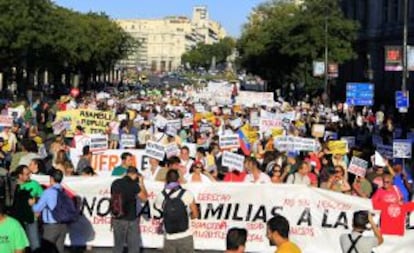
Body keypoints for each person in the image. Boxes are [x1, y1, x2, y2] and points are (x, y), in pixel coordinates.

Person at [154, 169, 199, 253]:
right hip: (185, 234)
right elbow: (196, 214)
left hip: (169, 236)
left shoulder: (161, 195)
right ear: (178, 179)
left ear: (166, 179)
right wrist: (188, 216)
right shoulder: (187, 194)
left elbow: (157, 215)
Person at [110, 166, 148, 253]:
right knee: (133, 246)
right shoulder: (133, 185)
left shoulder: (115, 182)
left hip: (117, 217)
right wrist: (141, 183)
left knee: (118, 246)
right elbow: (144, 198)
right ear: (135, 175)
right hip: (130, 219)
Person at [32, 169, 68, 253]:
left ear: (51, 179)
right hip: (63, 225)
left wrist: (33, 203)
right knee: (59, 250)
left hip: (51, 227)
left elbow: (37, 208)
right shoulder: (63, 191)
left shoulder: (48, 192)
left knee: (46, 250)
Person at [10, 165, 43, 252]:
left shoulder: (34, 184)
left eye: (29, 174)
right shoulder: (13, 186)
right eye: (27, 174)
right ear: (20, 175)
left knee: (34, 243)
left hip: (32, 218)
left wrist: (36, 200)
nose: (29, 176)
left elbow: (43, 197)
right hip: (17, 220)